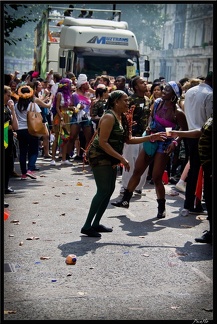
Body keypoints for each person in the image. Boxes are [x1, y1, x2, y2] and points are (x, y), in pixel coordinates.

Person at [80, 90, 167, 237]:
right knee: (102, 190)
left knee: (109, 189)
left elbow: (129, 139)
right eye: (125, 100)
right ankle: (87, 225)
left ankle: (95, 224)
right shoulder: (109, 117)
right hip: (100, 155)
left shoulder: (122, 117)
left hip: (111, 156)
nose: (128, 103)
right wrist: (121, 158)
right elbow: (103, 143)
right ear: (116, 102)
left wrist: (152, 137)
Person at [112, 81, 188, 219]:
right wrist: (149, 126)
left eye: (167, 90)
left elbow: (184, 130)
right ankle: (125, 200)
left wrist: (175, 143)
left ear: (174, 95)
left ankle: (161, 207)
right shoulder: (158, 102)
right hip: (151, 139)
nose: (163, 91)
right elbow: (151, 116)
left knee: (156, 177)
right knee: (137, 170)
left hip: (164, 144)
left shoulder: (178, 112)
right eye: (164, 89)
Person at [171, 115, 213, 243]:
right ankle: (211, 232)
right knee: (210, 199)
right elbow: (199, 132)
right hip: (207, 165)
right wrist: (178, 133)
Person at [180, 71, 213, 217]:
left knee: (194, 170)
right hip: (204, 136)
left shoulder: (191, 91)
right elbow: (209, 119)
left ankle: (190, 204)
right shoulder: (209, 94)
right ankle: (198, 203)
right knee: (206, 172)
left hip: (190, 135)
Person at [120, 76, 151, 195]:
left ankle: (138, 187)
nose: (145, 84)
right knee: (130, 162)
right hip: (132, 137)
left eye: (145, 82)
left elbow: (149, 116)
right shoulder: (130, 100)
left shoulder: (148, 100)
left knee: (144, 162)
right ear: (136, 87)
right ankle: (126, 186)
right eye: (142, 82)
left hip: (144, 136)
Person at [14, 85, 41, 179]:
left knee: (22, 152)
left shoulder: (16, 105)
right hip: (32, 130)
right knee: (34, 151)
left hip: (20, 130)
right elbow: (39, 116)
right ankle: (30, 169)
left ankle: (23, 174)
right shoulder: (33, 105)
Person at [67, 74, 94, 161]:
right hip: (76, 117)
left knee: (89, 138)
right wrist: (77, 108)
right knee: (72, 137)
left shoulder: (89, 94)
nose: (88, 84)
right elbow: (69, 107)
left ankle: (86, 156)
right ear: (82, 84)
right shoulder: (74, 95)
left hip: (87, 118)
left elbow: (98, 92)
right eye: (86, 83)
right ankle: (67, 155)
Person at [50, 78, 74, 166]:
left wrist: (74, 109)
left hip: (67, 116)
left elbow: (69, 107)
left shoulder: (69, 95)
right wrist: (61, 118)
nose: (71, 86)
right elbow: (57, 107)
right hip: (59, 117)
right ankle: (53, 159)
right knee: (57, 138)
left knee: (66, 138)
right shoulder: (59, 94)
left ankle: (64, 159)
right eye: (70, 84)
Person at [4, 86, 19, 194]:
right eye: (8, 95)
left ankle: (5, 186)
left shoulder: (7, 108)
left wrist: (13, 110)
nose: (9, 98)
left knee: (8, 164)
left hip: (8, 139)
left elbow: (15, 126)